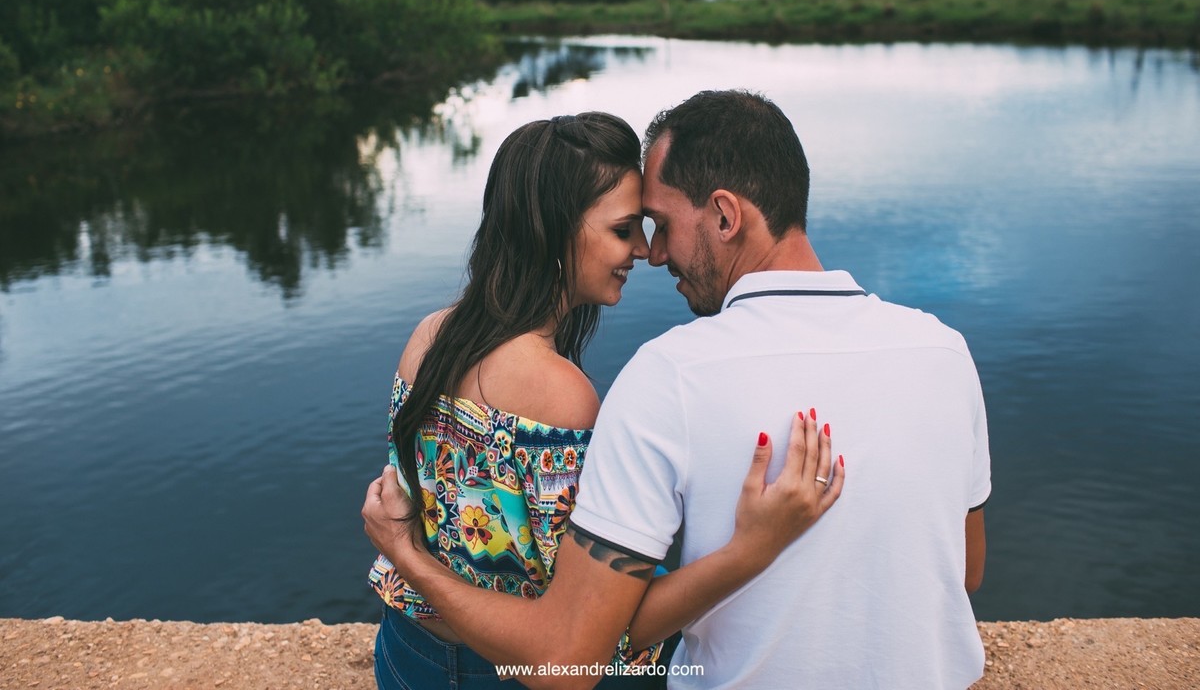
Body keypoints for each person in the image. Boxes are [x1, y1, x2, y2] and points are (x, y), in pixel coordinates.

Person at [364, 91, 990, 690]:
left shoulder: (433, 335)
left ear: (724, 215)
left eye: (656, 225)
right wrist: (754, 549)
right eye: (628, 229)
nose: (649, 252)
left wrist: (406, 558)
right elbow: (577, 649)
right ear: (557, 234)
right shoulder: (947, 349)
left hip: (406, 651)